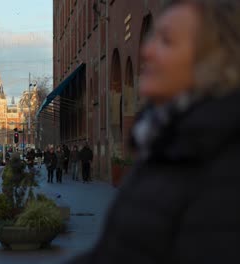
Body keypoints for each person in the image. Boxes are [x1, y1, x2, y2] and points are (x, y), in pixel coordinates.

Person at [69, 1, 240, 263]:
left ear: (211, 62)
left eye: (166, 42)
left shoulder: (224, 166)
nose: (146, 51)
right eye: (151, 38)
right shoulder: (164, 144)